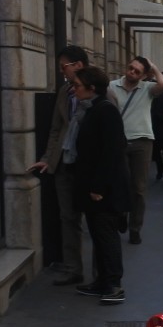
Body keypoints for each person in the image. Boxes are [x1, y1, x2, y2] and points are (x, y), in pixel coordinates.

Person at [68, 66, 131, 304]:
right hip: (94, 187)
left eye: (77, 86)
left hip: (105, 190)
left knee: (107, 237)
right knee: (98, 234)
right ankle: (102, 282)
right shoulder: (93, 109)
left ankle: (114, 285)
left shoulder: (106, 111)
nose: (74, 90)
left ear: (91, 88)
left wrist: (99, 187)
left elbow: (112, 152)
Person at [30, 45, 90, 287]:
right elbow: (56, 128)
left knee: (96, 219)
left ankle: (105, 276)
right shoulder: (65, 92)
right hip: (64, 162)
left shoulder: (100, 89)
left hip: (88, 163)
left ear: (78, 65)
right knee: (68, 217)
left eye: (64, 66)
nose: (62, 71)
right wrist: (47, 157)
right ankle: (73, 267)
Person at [107, 56, 163, 245]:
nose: (131, 72)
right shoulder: (112, 86)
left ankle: (135, 228)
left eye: (136, 71)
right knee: (119, 183)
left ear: (143, 75)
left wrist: (154, 67)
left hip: (142, 142)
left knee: (139, 188)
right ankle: (121, 214)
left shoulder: (147, 89)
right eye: (130, 68)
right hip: (120, 142)